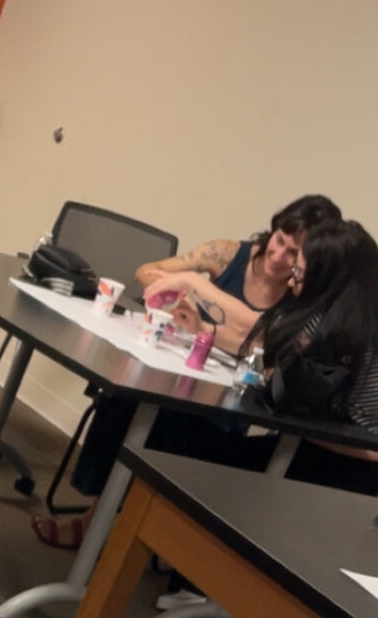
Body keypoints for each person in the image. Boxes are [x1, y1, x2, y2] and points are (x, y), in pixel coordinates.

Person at [34, 192, 341, 548]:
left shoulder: (300, 294)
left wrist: (204, 318)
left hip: (225, 404)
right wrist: (178, 296)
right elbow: (148, 271)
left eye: (293, 254)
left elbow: (263, 341)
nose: (278, 256)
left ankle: (113, 528)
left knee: (169, 422)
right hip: (174, 374)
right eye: (280, 241)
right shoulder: (229, 254)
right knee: (124, 397)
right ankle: (101, 516)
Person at [239, 218, 378, 493]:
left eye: (299, 273)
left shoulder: (331, 330)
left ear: (325, 279)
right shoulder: (359, 319)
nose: (291, 281)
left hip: (343, 474)